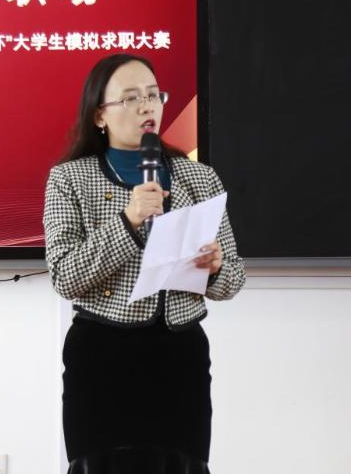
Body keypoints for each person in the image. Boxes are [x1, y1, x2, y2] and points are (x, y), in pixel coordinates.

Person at [43, 53, 245, 474]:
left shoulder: (199, 178)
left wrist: (215, 267)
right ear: (100, 115)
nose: (146, 106)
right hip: (102, 358)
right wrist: (129, 220)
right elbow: (64, 276)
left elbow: (233, 280)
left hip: (179, 358)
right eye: (131, 98)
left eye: (153, 95)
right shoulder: (70, 179)